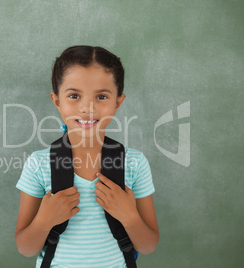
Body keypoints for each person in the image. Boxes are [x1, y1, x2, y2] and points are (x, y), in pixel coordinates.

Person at [15, 45, 159, 267]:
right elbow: (25, 248)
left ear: (118, 102)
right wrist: (44, 221)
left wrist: (130, 217)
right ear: (57, 101)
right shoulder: (38, 164)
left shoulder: (134, 163)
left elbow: (148, 246)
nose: (87, 108)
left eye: (101, 96)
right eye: (74, 95)